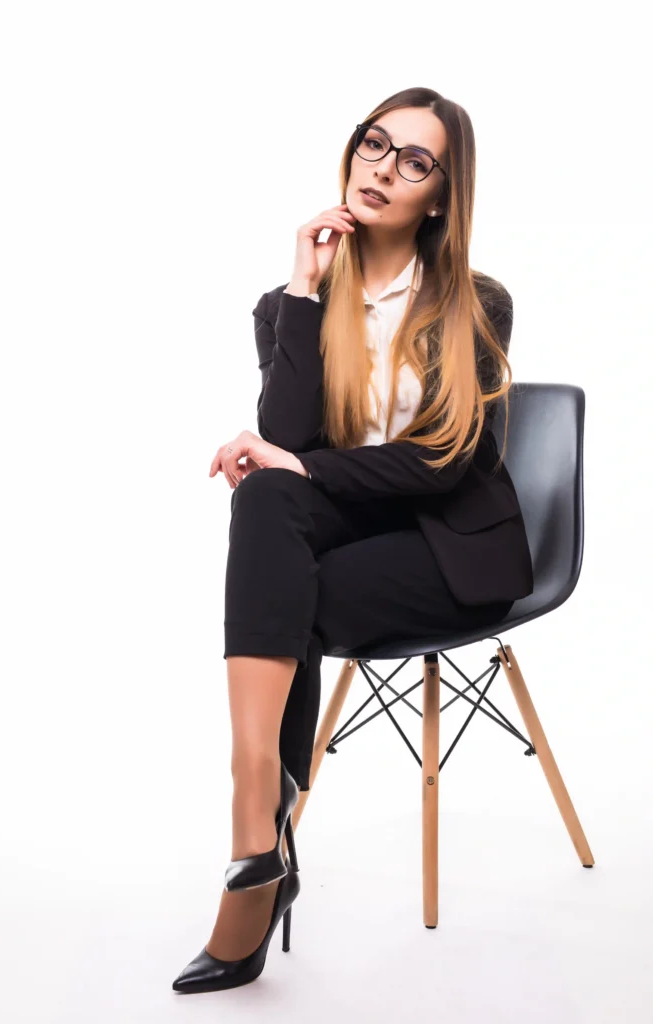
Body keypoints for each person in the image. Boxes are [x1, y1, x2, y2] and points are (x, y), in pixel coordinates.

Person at [172, 86, 534, 995]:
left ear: (441, 195)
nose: (383, 167)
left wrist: (299, 470)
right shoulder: (289, 303)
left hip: (448, 547)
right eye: (375, 144)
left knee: (284, 584)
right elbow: (288, 439)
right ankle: (255, 803)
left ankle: (258, 864)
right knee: (261, 506)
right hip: (343, 531)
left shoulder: (475, 302)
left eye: (415, 161)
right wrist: (303, 286)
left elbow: (444, 466)